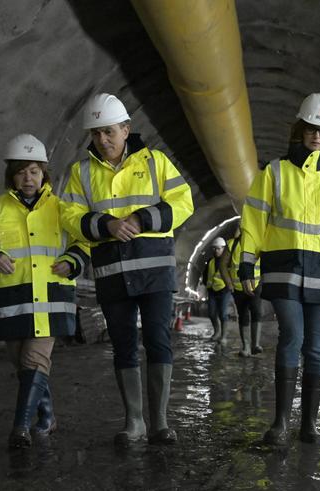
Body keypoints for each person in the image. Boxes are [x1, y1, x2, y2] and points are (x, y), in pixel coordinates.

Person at [60, 93, 193, 446]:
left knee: (158, 340)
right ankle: (134, 421)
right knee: (123, 346)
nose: (102, 141)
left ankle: (160, 423)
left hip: (154, 272)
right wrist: (106, 226)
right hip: (112, 272)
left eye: (109, 132)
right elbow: (70, 217)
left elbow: (184, 203)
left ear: (126, 129)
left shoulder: (156, 162)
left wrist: (140, 218)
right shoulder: (81, 172)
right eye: (96, 134)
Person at [239, 92, 320, 445]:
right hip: (283, 270)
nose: (317, 136)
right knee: (292, 337)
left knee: (316, 347)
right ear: (300, 130)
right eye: (312, 128)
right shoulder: (274, 172)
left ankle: (309, 423)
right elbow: (253, 219)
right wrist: (246, 260)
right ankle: (280, 422)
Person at [0, 134, 89, 448]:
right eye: (21, 171)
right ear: (12, 175)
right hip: (12, 301)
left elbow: (83, 240)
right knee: (23, 365)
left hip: (51, 298)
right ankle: (47, 415)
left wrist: (72, 260)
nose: (28, 178)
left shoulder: (62, 208)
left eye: (34, 171)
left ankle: (20, 428)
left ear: (44, 173)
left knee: (35, 361)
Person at [221, 228, 263, 356]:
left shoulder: (258, 242)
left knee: (257, 311)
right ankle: (246, 347)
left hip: (255, 284)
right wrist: (229, 283)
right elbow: (223, 265)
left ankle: (255, 344)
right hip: (238, 288)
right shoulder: (232, 244)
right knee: (243, 314)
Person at [202, 237, 232, 343]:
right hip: (212, 291)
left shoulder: (228, 261)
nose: (216, 250)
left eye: (218, 248)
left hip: (224, 290)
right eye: (214, 248)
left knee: (223, 314)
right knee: (211, 313)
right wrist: (206, 283)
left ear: (224, 248)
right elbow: (205, 274)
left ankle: (223, 336)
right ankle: (217, 332)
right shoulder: (210, 261)